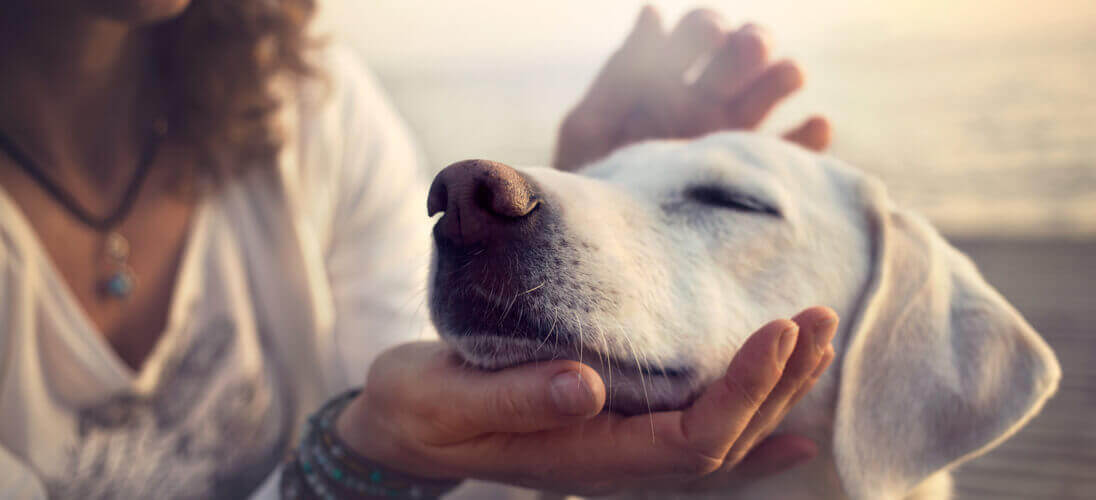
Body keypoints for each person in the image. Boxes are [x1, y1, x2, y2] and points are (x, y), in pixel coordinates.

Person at [0, 1, 837, 498]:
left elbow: (446, 446)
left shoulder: (302, 103)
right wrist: (353, 462)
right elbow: (399, 435)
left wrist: (594, 239)